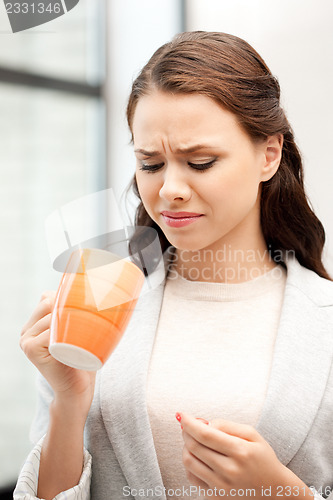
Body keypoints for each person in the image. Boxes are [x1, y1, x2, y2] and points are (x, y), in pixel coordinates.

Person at [15, 31, 333, 500]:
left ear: (269, 154)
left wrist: (284, 493)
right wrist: (69, 400)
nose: (170, 190)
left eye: (201, 162)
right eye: (151, 163)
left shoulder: (324, 322)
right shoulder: (97, 303)